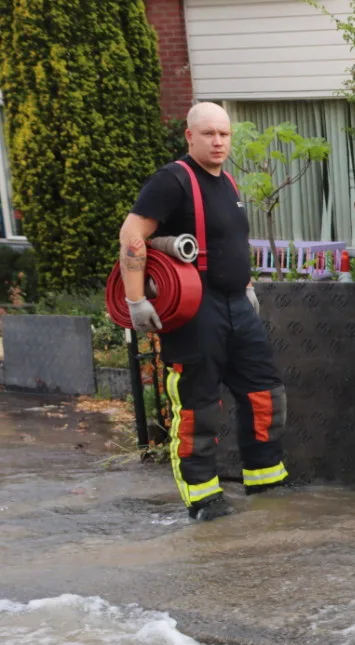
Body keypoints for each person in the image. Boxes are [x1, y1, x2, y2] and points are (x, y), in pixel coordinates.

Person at [119, 101, 287, 521]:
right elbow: (132, 234)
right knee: (199, 404)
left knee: (264, 393)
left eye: (224, 134)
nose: (218, 141)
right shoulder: (172, 180)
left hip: (236, 305)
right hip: (196, 308)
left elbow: (230, 241)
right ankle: (203, 497)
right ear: (189, 136)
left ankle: (265, 480)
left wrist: (246, 287)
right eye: (208, 133)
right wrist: (136, 300)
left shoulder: (227, 182)